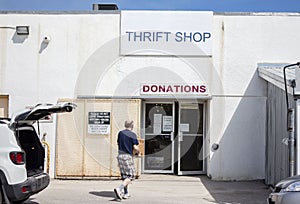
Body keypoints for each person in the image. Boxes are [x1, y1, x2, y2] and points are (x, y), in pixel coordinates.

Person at [114, 120, 140, 200]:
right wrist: (138, 152)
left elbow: (118, 143)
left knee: (125, 176)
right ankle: (120, 189)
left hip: (120, 156)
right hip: (127, 156)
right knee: (130, 176)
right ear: (132, 126)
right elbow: (135, 147)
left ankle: (126, 193)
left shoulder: (120, 133)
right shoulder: (132, 134)